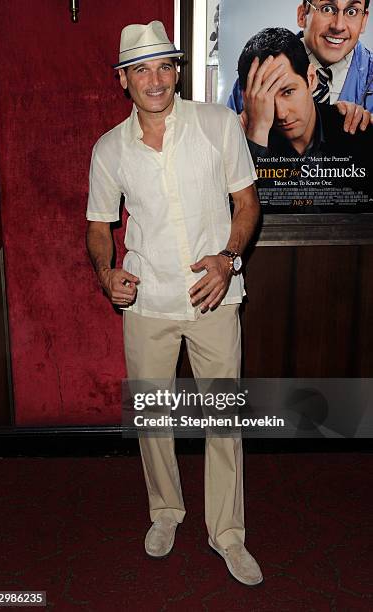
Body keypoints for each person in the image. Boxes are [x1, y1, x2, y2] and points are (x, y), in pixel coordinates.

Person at [86, 21, 263, 586]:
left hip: (214, 297)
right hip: (147, 299)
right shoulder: (110, 148)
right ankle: (165, 513)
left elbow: (247, 204)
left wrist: (228, 257)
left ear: (178, 71)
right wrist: (105, 270)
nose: (155, 80)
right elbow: (97, 226)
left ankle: (228, 534)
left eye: (164, 66)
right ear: (123, 80)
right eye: (141, 69)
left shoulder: (217, 125)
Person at [238, 27, 372, 211]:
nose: (281, 114)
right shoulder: (236, 141)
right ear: (247, 99)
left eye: (288, 92)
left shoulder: (355, 128)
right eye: (265, 99)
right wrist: (256, 136)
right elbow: (246, 219)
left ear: (311, 78)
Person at [228, 0, 373, 130]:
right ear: (302, 15)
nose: (339, 26)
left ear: (364, 20)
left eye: (352, 11)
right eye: (327, 9)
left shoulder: (370, 78)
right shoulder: (257, 72)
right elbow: (228, 149)